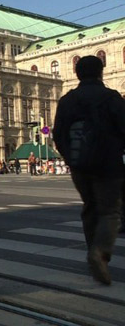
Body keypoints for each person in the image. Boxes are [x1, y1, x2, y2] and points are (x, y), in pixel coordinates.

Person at [53, 55, 125, 285]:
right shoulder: (111, 98)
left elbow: (58, 134)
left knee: (90, 207)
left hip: (79, 165)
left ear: (77, 74)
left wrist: (71, 158)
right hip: (109, 164)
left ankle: (92, 250)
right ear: (101, 72)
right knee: (110, 211)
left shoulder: (67, 100)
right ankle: (100, 253)